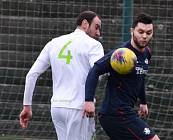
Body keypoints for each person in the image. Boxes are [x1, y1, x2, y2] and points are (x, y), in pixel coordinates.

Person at [19, 11, 104, 140]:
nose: (98, 33)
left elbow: (31, 75)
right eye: (96, 27)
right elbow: (98, 73)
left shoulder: (53, 43)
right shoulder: (94, 45)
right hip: (79, 108)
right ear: (85, 24)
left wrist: (27, 106)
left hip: (57, 108)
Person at [83, 13, 160, 140]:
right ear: (132, 31)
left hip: (124, 112)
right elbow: (95, 70)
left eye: (149, 32)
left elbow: (140, 77)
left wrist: (143, 102)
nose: (145, 36)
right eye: (140, 32)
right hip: (116, 114)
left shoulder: (147, 53)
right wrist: (88, 100)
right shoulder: (120, 54)